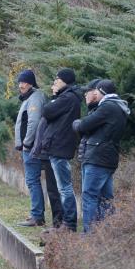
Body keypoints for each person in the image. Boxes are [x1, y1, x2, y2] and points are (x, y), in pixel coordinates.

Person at [73, 79, 130, 232]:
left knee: (89, 196)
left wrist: (77, 123)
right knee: (105, 198)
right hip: (107, 158)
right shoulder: (118, 107)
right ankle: (106, 235)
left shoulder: (107, 107)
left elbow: (84, 125)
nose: (90, 94)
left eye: (94, 91)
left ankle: (89, 236)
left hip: (97, 158)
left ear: (100, 91)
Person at [41, 68, 82, 231]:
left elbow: (47, 111)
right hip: (59, 146)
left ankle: (69, 224)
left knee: (64, 187)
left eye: (57, 80)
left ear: (65, 81)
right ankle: (64, 224)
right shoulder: (69, 97)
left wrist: (53, 97)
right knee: (62, 187)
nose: (55, 83)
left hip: (60, 147)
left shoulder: (67, 97)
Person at [14, 69, 53, 227]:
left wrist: (27, 143)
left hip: (31, 148)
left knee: (32, 181)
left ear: (31, 83)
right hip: (30, 147)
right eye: (20, 82)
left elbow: (33, 122)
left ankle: (37, 216)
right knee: (32, 181)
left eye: (24, 82)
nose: (21, 85)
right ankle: (36, 215)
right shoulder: (29, 98)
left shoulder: (35, 98)